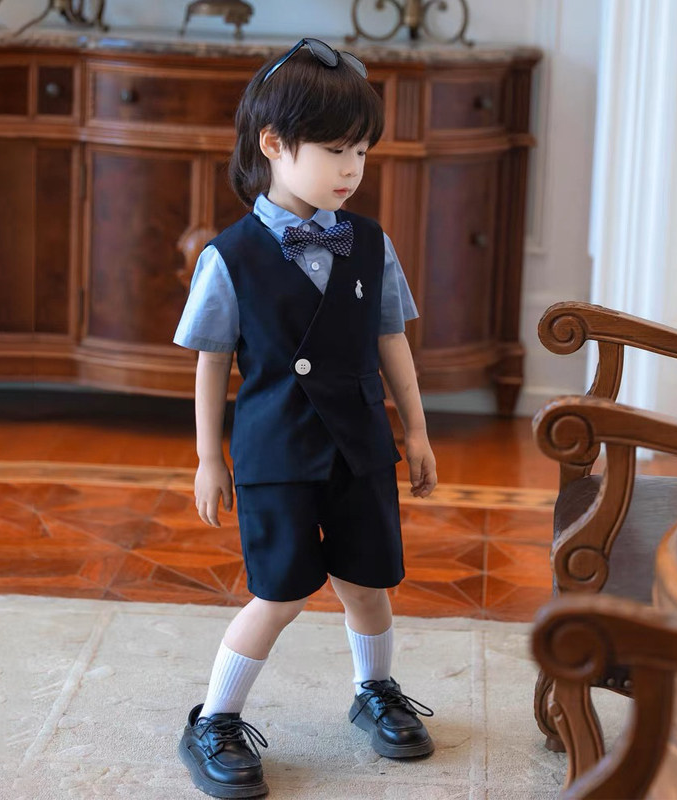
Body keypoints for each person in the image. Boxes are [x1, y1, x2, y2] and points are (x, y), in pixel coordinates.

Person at [173, 37, 438, 799]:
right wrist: (210, 458)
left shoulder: (370, 244)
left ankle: (374, 691)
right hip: (276, 451)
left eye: (361, 151)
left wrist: (417, 430)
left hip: (360, 445)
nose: (351, 168)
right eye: (334, 150)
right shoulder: (230, 257)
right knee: (280, 591)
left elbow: (391, 338)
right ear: (273, 145)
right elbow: (211, 361)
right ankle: (215, 719)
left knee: (368, 582)